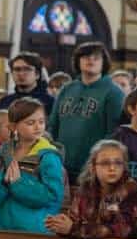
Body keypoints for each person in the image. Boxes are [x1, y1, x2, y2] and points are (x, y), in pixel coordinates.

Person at [0, 98, 65, 234]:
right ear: (13, 127)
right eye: (30, 123)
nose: (38, 127)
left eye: (41, 122)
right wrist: (1, 183)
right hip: (0, 229)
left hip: (35, 232)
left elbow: (53, 198)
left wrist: (19, 184)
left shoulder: (48, 157)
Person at [48, 42, 125, 180]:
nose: (91, 60)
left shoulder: (113, 92)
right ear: (78, 61)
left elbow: (113, 134)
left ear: (104, 63)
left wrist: (98, 164)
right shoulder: (67, 89)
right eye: (86, 57)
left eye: (96, 57)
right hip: (61, 166)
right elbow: (53, 125)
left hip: (92, 169)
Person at [47, 140, 137, 239]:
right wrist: (60, 224)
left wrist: (73, 229)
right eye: (105, 163)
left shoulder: (131, 190)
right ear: (93, 166)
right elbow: (74, 219)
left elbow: (121, 230)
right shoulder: (85, 188)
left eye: (118, 163)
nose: (112, 168)